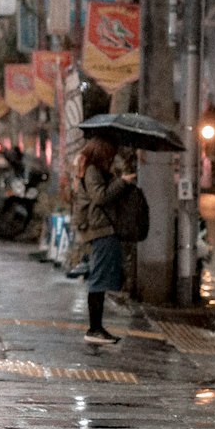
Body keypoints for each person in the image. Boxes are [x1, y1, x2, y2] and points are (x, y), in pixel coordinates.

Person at [74, 137, 134, 345]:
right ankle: (94, 328)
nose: (112, 157)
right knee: (99, 278)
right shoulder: (93, 171)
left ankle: (97, 328)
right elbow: (100, 197)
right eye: (109, 153)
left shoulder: (95, 171)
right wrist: (122, 182)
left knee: (100, 277)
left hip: (102, 228)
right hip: (100, 228)